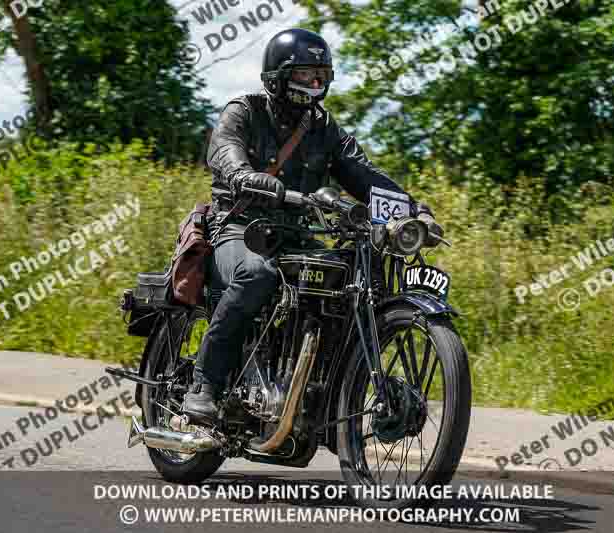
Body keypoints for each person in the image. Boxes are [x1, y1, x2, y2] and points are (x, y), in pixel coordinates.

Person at [182, 28, 442, 424]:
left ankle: (327, 396)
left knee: (353, 280)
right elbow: (224, 150)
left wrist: (413, 210)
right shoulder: (245, 111)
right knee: (256, 274)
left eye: (322, 75)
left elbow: (364, 176)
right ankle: (205, 385)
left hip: (299, 233)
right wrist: (245, 176)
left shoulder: (324, 128)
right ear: (277, 77)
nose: (316, 83)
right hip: (240, 226)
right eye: (306, 75)